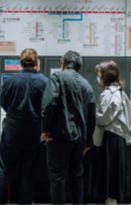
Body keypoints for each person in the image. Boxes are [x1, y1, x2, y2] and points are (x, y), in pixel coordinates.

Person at [0, 48, 47, 204]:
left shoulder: (11, 81)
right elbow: (47, 108)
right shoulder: (44, 82)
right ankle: (24, 202)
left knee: (4, 169)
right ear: (37, 62)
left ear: (21, 62)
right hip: (34, 132)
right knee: (28, 171)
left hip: (12, 131)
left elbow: (4, 103)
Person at [41, 50, 96, 204]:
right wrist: (88, 142)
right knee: (77, 177)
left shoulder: (57, 77)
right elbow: (92, 115)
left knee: (57, 178)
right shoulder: (87, 84)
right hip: (79, 140)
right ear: (79, 66)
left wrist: (45, 129)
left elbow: (49, 105)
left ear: (62, 63)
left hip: (58, 137)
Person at [90, 61, 131, 205]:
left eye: (99, 75)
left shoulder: (109, 93)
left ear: (105, 76)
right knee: (114, 178)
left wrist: (92, 114)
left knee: (108, 178)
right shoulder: (121, 92)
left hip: (109, 140)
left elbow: (103, 119)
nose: (98, 78)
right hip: (118, 139)